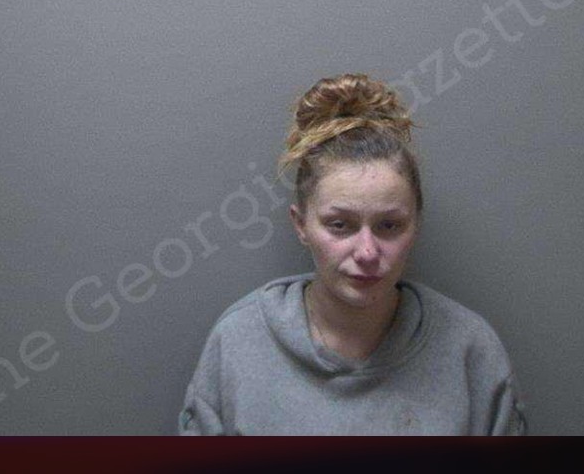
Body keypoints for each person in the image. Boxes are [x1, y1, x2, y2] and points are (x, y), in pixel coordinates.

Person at [178, 73, 527, 435]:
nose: (367, 252)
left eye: (389, 226)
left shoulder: (470, 351)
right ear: (301, 225)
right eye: (340, 225)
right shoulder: (238, 343)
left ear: (416, 225)